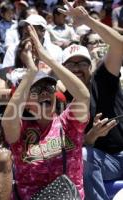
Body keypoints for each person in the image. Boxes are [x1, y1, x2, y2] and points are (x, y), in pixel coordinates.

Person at [1, 24, 90, 199]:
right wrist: (32, 71)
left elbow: (83, 96)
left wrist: (47, 59)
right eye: (36, 90)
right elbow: (7, 120)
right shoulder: (20, 129)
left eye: (48, 87)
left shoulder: (69, 122)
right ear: (25, 103)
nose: (44, 92)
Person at [58, 1, 123, 199]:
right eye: (71, 64)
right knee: (83, 155)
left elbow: (119, 44)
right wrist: (92, 136)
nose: (77, 68)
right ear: (62, 71)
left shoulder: (102, 78)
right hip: (106, 161)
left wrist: (87, 20)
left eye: (82, 63)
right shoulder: (59, 99)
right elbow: (69, 146)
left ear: (90, 66)